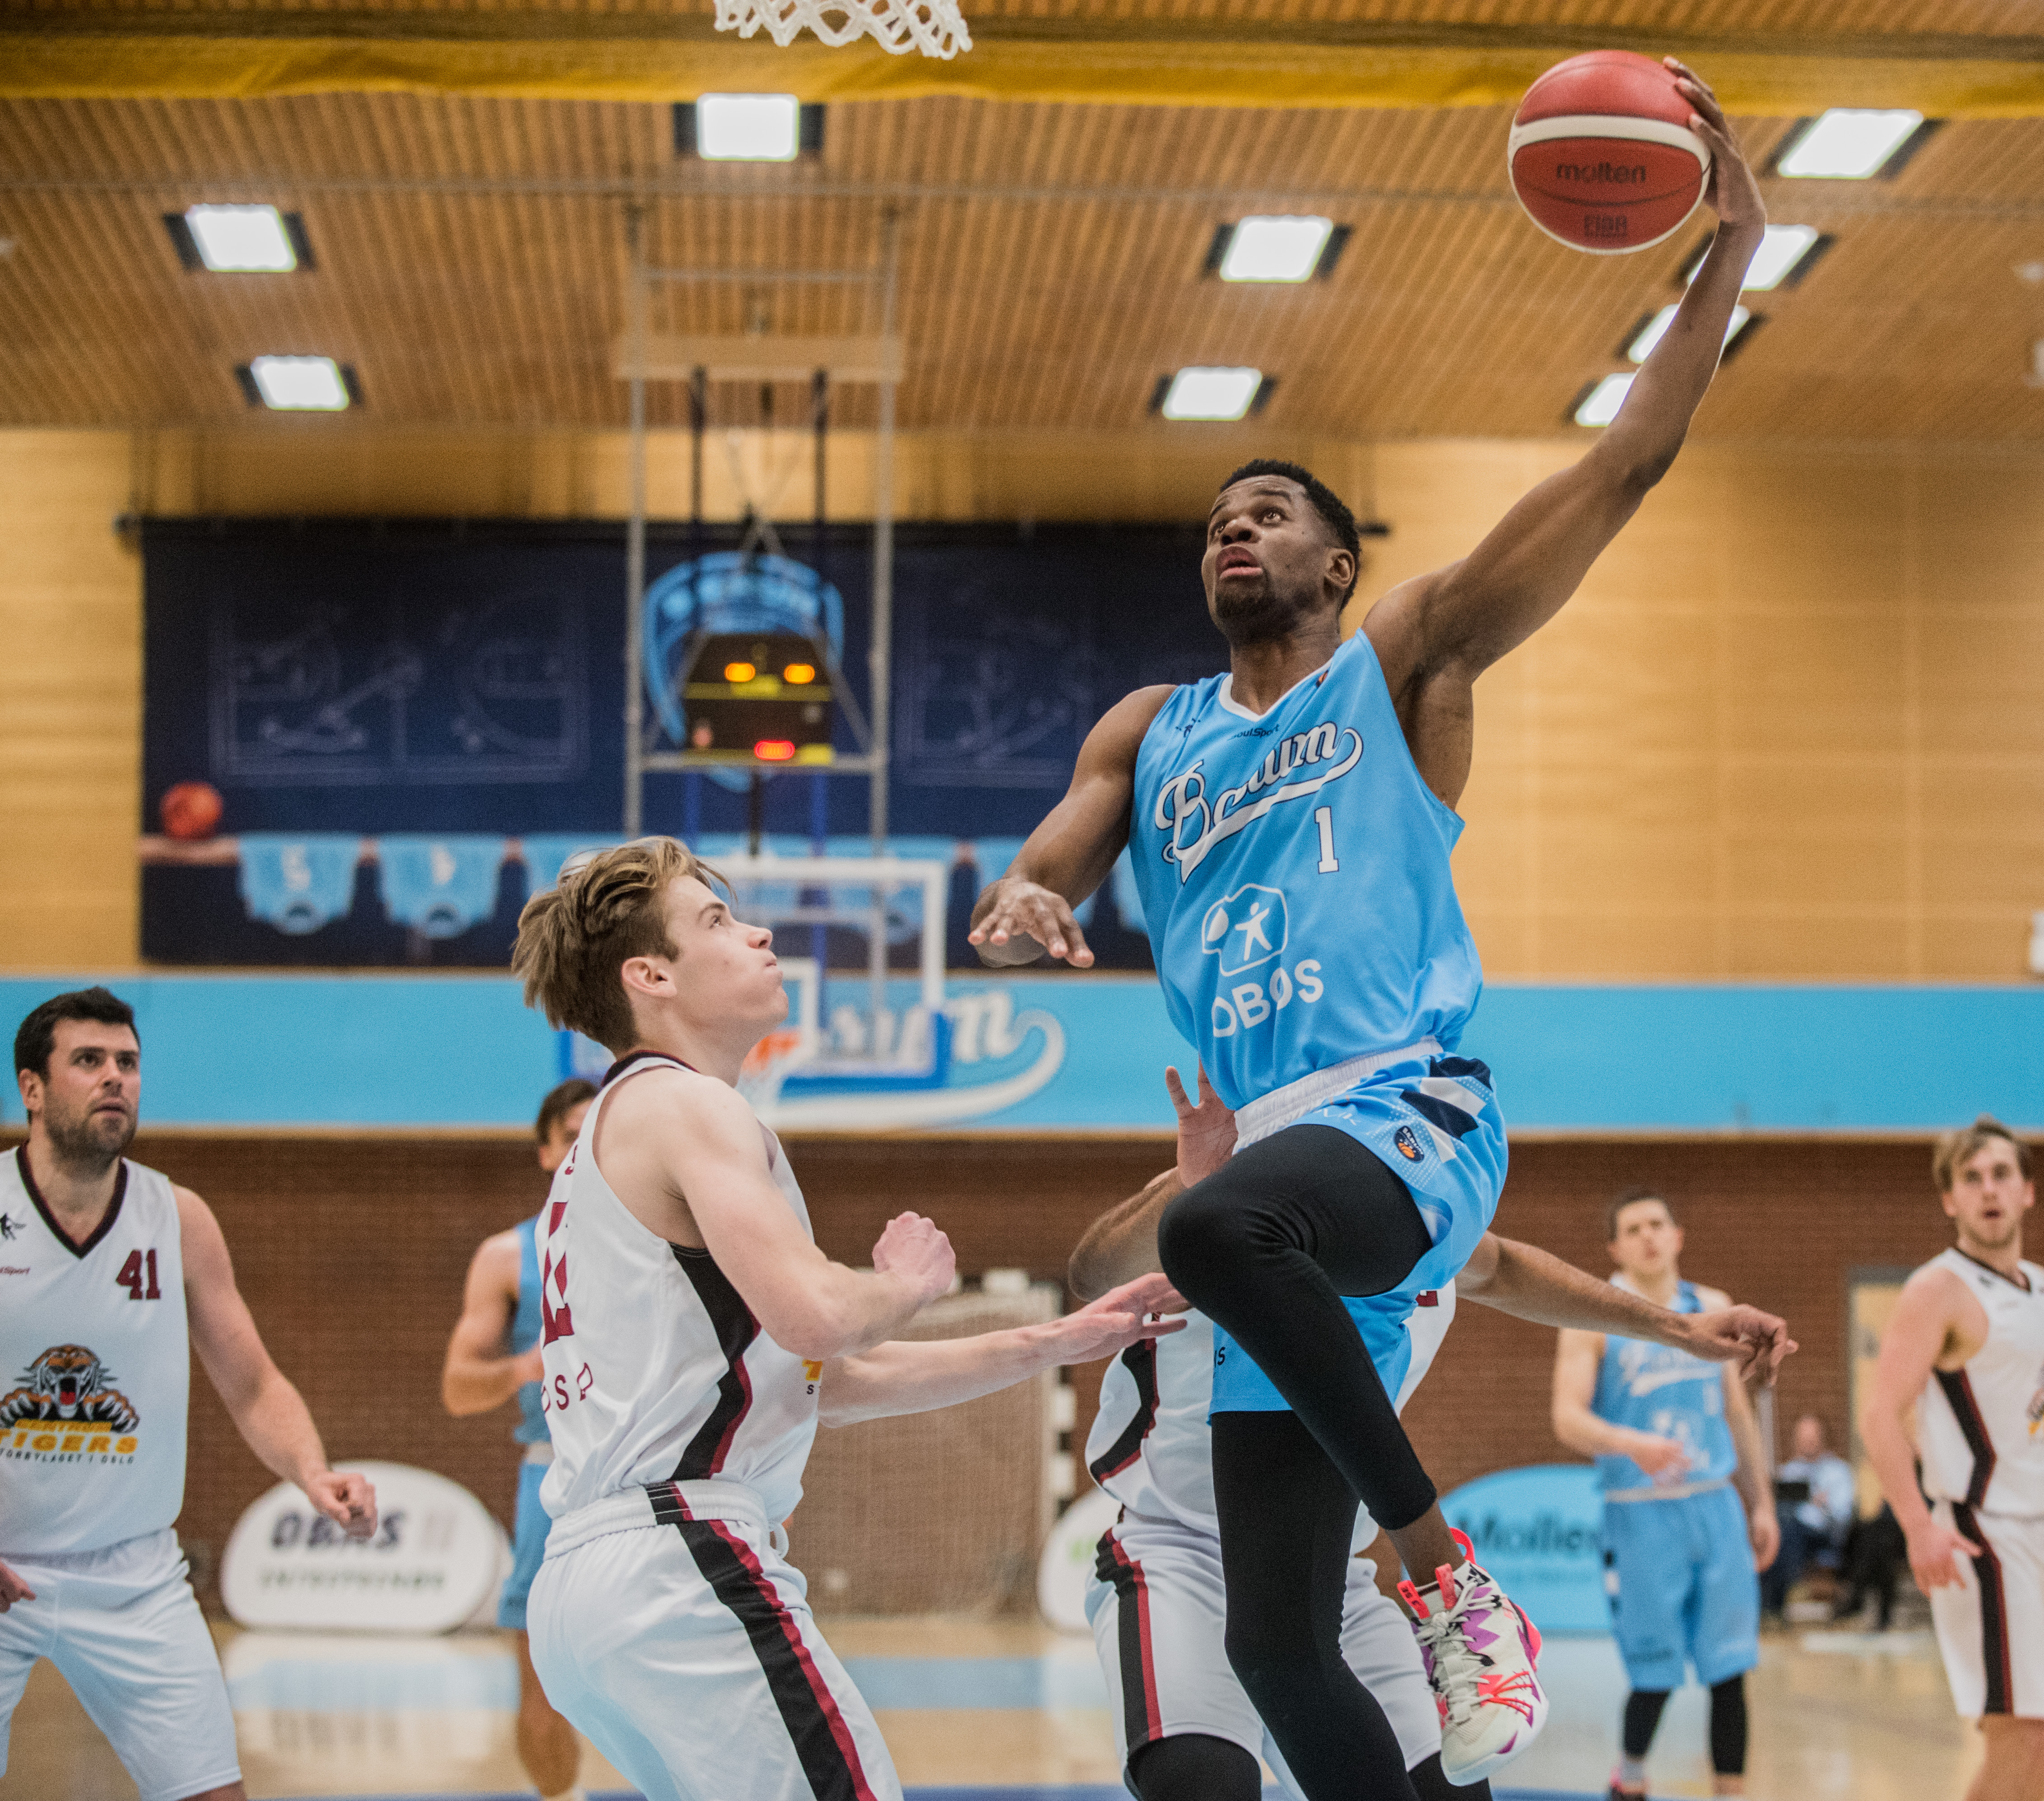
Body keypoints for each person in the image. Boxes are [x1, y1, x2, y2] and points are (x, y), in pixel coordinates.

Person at [968, 61, 1767, 1800]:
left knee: (1211, 1227)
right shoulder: (1146, 729)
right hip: (1273, 1171)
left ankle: (1439, 1570)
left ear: (1337, 560)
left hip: (1407, 1104)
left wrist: (1730, 249)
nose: (1229, 529)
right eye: (1211, 521)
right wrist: (1027, 898)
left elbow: (1629, 461)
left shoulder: (1402, 657)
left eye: (1267, 510)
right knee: (1265, 1637)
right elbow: (1047, 854)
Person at [506, 836, 1185, 1801]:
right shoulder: (686, 1105)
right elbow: (822, 1317)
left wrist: (1060, 1339)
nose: (758, 931)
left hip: (592, 1585)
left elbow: (814, 1383)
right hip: (682, 1552)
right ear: (649, 974)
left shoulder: (611, 1138)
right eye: (716, 920)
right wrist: (900, 1281)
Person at [1072, 1068, 1793, 1801]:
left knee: (1444, 1787)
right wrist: (1186, 1191)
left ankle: (1463, 1605)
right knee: (1200, 1781)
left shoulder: (1410, 1216)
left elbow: (1505, 1264)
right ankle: (1456, 1589)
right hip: (1179, 1554)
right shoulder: (1234, 1193)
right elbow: (1088, 1268)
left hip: (1328, 1562)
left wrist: (1676, 1327)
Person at [0, 987, 378, 1801]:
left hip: (134, 1570)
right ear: (31, 1086)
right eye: (89, 1061)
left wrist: (312, 1472)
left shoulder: (177, 1217)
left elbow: (252, 1382)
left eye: (128, 1063)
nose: (115, 1079)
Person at [1551, 1188, 1779, 1801]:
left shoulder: (1714, 1307)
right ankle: (1629, 1779)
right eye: (1634, 1227)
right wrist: (1630, 1443)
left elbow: (1736, 1410)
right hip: (1641, 1517)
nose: (1648, 1235)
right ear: (1615, 1247)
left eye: (1658, 1223)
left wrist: (1761, 1502)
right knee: (1654, 1672)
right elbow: (1567, 1418)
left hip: (1716, 1505)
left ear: (1677, 1236)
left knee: (1731, 1668)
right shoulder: (1591, 1314)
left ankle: (1730, 1791)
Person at [1863, 1116, 2044, 1801]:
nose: (1988, 1189)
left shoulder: (2038, 1285)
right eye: (1971, 1179)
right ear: (1950, 1200)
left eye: (2001, 1174)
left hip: (2039, 1524)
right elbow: (1881, 1414)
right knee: (2018, 1737)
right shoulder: (1936, 1289)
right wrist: (1917, 1524)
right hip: (1986, 1534)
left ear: (2028, 1191)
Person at [442, 1076, 597, 1801]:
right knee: (539, 1681)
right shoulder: (507, 1258)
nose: (587, 1149)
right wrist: (523, 1366)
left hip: (656, 1477)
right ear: (545, 1152)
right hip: (553, 1476)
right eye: (572, 1135)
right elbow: (457, 1387)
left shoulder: (675, 1244)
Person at [1763, 1413, 1856, 1618]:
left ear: (1822, 1438)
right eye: (1803, 1439)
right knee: (1780, 1530)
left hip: (1827, 1535)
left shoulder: (1838, 1471)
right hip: (1794, 1534)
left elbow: (1844, 1516)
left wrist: (1823, 1504)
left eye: (1812, 1438)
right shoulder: (1788, 1472)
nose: (1808, 1443)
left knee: (1789, 1534)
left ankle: (1773, 1604)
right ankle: (1771, 1605)